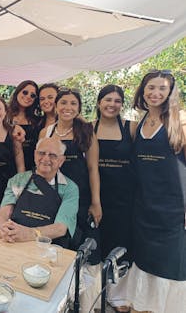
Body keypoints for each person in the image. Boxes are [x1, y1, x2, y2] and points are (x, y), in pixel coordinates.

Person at [126, 70, 186, 313]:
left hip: (173, 210)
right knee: (145, 263)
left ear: (170, 92)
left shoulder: (179, 120)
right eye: (151, 87)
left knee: (170, 266)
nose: (155, 93)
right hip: (144, 207)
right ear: (142, 90)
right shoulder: (140, 122)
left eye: (162, 88)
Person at [39, 88, 102, 312]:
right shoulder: (46, 132)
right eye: (63, 102)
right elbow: (40, 166)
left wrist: (96, 202)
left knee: (77, 247)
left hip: (81, 198)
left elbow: (93, 168)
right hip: (52, 196)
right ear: (55, 106)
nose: (68, 107)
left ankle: (81, 303)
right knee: (56, 246)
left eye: (73, 103)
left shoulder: (86, 132)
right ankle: (55, 298)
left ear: (79, 107)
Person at [92, 85, 135, 312]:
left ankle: (118, 297)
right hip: (96, 197)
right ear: (99, 103)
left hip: (123, 199)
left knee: (122, 246)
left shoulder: (132, 128)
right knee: (98, 245)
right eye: (108, 99)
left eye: (117, 101)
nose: (112, 104)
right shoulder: (89, 128)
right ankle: (97, 294)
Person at [0, 137, 78, 246]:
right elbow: (5, 211)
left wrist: (29, 233)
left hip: (47, 247)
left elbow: (61, 228)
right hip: (14, 241)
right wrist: (2, 226)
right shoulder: (18, 180)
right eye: (41, 153)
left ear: (61, 161)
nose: (45, 158)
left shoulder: (69, 188)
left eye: (52, 155)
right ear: (35, 155)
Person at [8, 80, 40, 171]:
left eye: (32, 95)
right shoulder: (4, 117)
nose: (28, 96)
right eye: (25, 92)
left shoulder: (38, 121)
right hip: (9, 167)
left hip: (33, 169)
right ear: (17, 92)